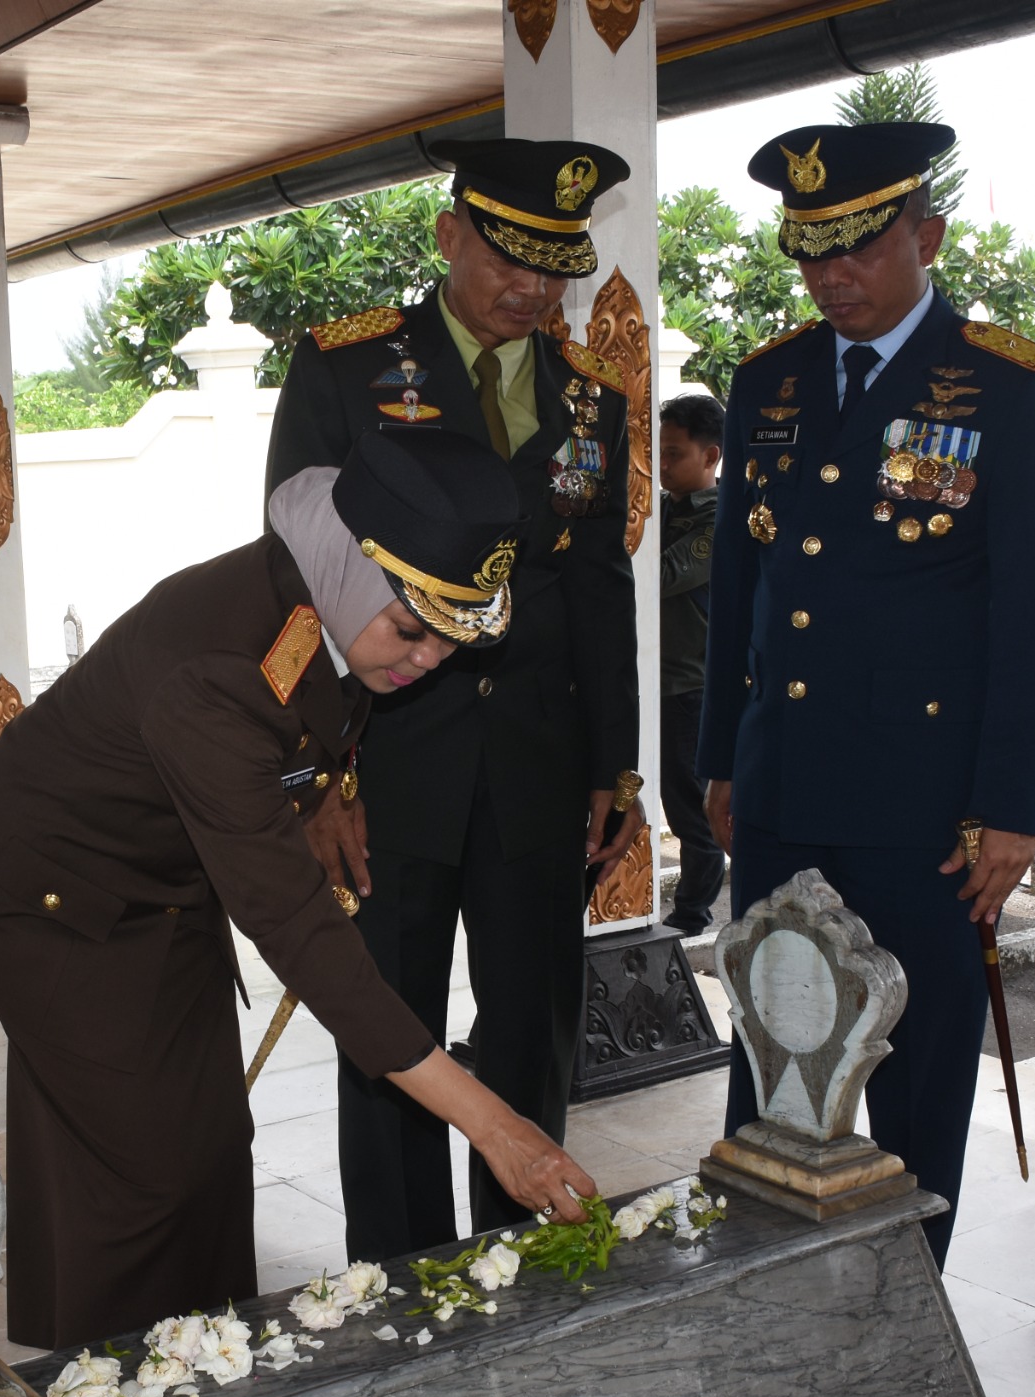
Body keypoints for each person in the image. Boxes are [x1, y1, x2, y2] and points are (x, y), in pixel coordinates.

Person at [0, 428, 598, 1349]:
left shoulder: (317, 593)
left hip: (159, 878)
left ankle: (201, 1355)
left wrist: (325, 790)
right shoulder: (216, 672)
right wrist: (493, 1124)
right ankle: (118, 1388)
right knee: (147, 1168)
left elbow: (313, 717)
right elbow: (298, 931)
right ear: (355, 567)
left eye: (454, 638)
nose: (429, 661)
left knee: (204, 1142)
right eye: (412, 631)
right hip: (46, 893)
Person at [698, 122, 1035, 1268]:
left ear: (929, 236)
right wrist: (718, 760)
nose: (832, 276)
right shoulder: (768, 379)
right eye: (810, 253)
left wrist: (1011, 808)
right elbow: (738, 591)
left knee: (916, 1073)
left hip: (929, 809)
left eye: (858, 248)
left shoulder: (1007, 384)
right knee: (774, 1059)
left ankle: (908, 1305)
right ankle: (763, 1281)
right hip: (781, 788)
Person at [266, 138, 644, 1262]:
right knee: (389, 1024)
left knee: (532, 1024)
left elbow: (598, 588)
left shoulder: (591, 396)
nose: (533, 288)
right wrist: (315, 774)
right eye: (509, 259)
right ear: (449, 237)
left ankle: (521, 1256)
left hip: (537, 765)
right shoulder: (345, 369)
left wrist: (612, 766)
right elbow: (292, 582)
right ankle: (403, 1274)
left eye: (556, 266)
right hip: (386, 764)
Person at [658, 391, 726, 936]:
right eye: (658, 452)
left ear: (711, 456)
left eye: (674, 453)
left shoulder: (718, 521)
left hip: (689, 685)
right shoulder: (662, 510)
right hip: (654, 680)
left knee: (691, 810)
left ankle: (691, 915)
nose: (661, 464)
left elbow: (658, 577)